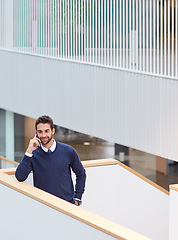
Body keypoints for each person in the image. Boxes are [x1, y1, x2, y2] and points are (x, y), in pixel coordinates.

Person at [15, 115, 86, 206]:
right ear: (36, 133)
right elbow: (20, 177)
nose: (43, 135)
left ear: (53, 131)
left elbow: (81, 174)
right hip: (43, 206)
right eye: (40, 132)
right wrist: (29, 151)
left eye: (46, 131)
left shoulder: (68, 151)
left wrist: (77, 198)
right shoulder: (33, 154)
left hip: (67, 205)